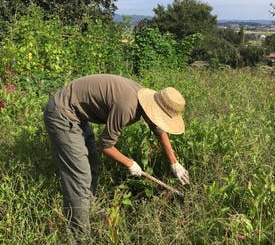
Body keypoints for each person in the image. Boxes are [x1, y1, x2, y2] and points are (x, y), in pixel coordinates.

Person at [43, 74, 189, 239]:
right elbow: (105, 145)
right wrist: (130, 163)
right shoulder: (127, 107)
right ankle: (79, 237)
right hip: (62, 114)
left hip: (76, 114)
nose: (159, 122)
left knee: (92, 165)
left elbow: (158, 129)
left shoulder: (145, 97)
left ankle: (86, 210)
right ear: (154, 109)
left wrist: (174, 163)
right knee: (79, 178)